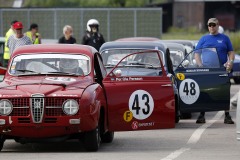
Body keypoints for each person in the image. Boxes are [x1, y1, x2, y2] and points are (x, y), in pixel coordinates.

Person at [195, 18, 235, 124]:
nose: (212, 27)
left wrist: (230, 61)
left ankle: (227, 116)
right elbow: (197, 53)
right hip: (207, 70)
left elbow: (231, 52)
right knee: (204, 92)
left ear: (217, 26)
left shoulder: (224, 38)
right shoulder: (203, 39)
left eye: (214, 25)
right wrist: (200, 65)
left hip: (221, 69)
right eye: (210, 25)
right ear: (208, 26)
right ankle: (201, 115)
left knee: (224, 92)